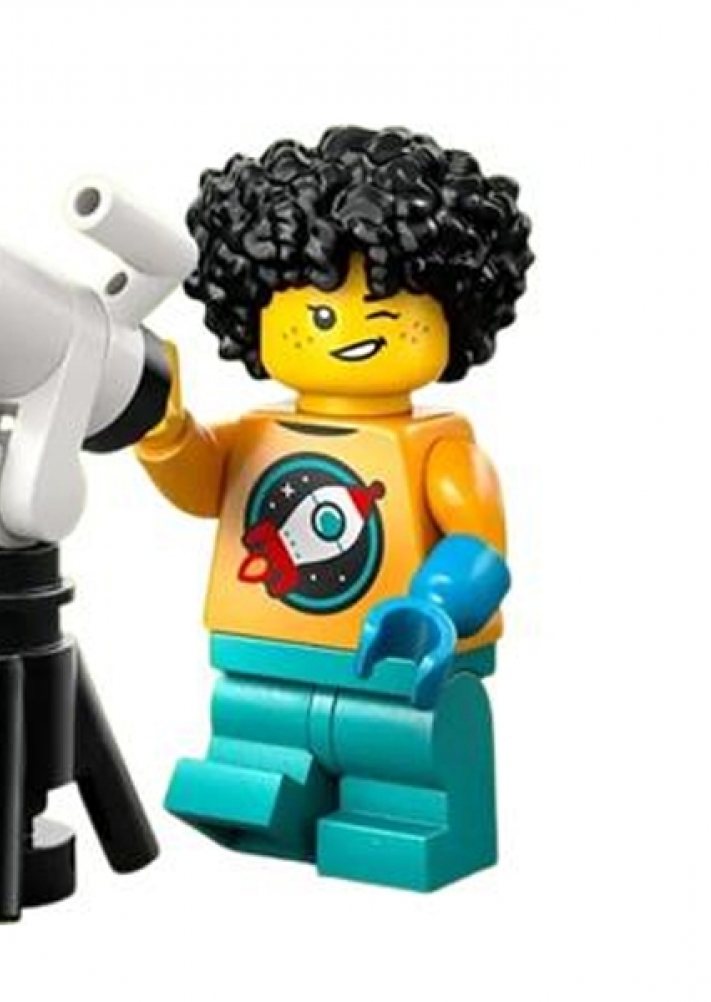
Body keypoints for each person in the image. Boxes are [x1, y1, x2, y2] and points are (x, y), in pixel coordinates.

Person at [136, 126, 534, 890]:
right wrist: (165, 432)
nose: (353, 326)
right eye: (319, 310)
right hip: (260, 663)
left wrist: (438, 603)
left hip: (400, 670)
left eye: (389, 305)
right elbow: (203, 486)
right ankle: (270, 807)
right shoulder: (256, 435)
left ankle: (403, 823)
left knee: (404, 770)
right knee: (254, 762)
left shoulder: (441, 451)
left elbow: (480, 544)